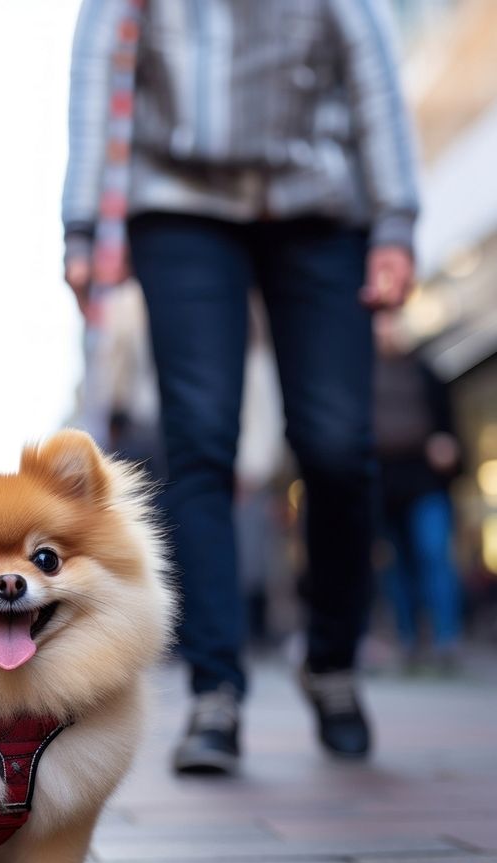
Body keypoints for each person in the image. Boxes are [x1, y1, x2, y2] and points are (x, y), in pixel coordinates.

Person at [63, 0, 419, 774]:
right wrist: (83, 226)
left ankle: (332, 662)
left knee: (335, 446)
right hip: (179, 208)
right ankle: (214, 690)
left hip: (320, 202)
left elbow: (373, 75)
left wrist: (394, 221)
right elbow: (97, 74)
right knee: (199, 442)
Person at [374, 318, 462, 667]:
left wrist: (447, 445)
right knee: (396, 565)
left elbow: (449, 424)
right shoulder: (363, 371)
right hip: (385, 482)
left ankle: (446, 638)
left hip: (424, 478)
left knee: (433, 554)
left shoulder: (425, 370)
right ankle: (408, 639)